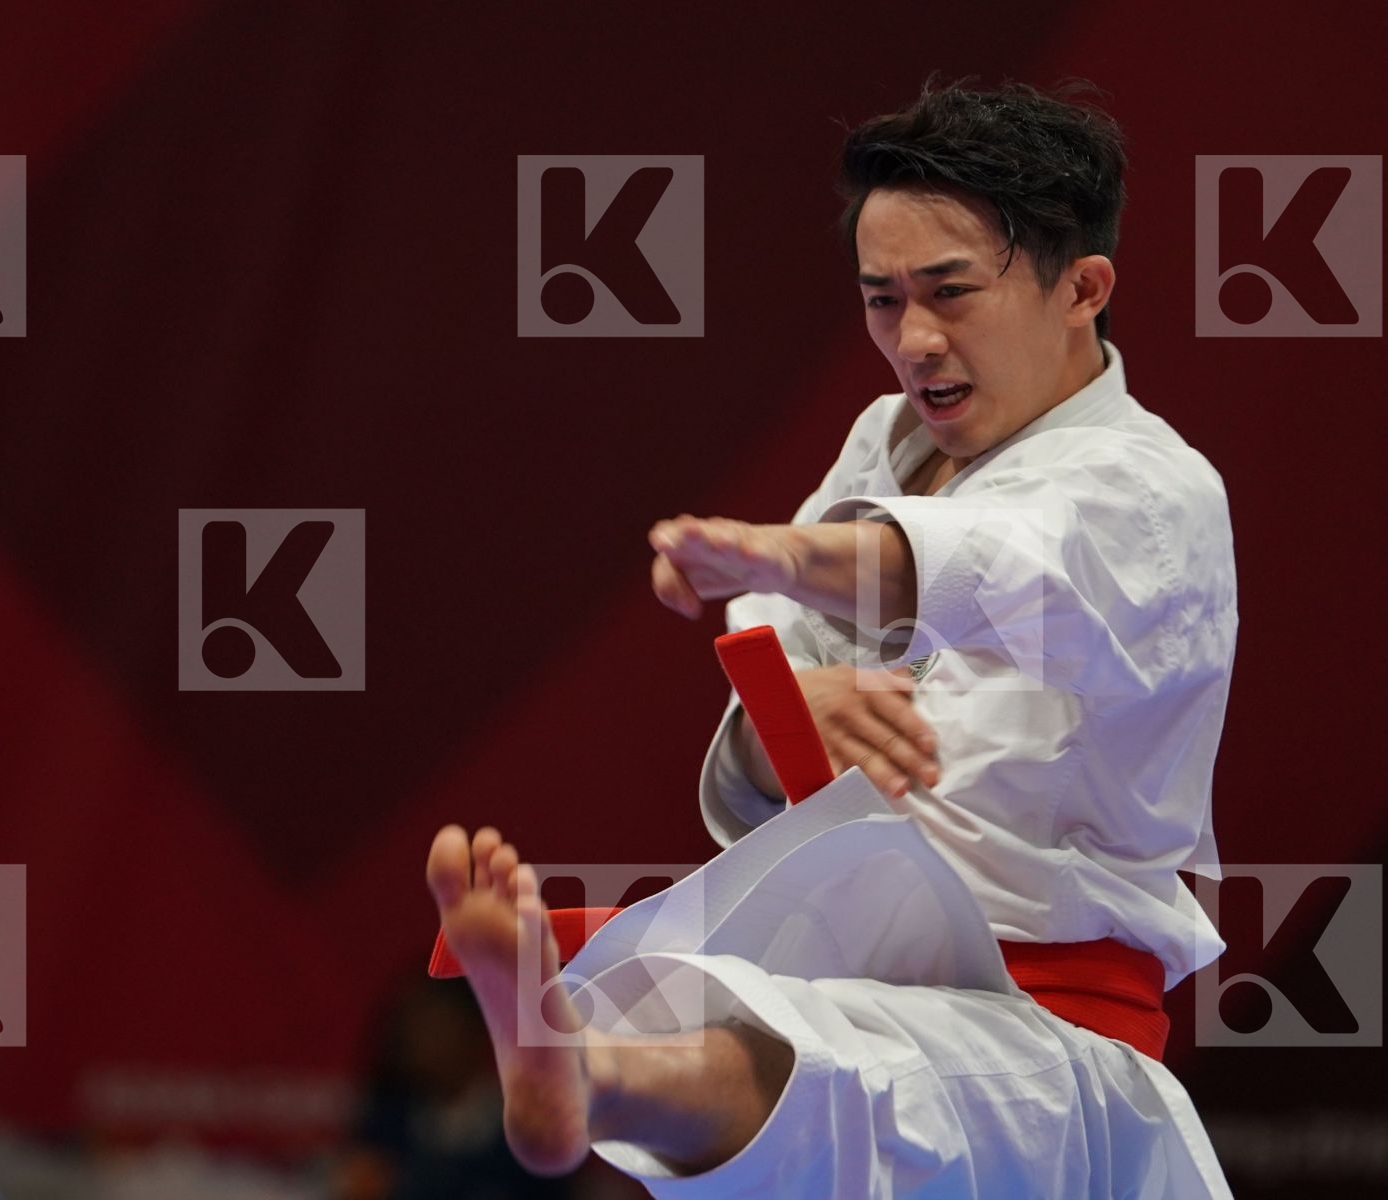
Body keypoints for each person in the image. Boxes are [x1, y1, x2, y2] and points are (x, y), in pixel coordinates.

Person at [427, 78, 1235, 1197]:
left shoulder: (1150, 491)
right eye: (881, 298)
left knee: (828, 1069)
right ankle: (583, 1070)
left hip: (1043, 1037)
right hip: (839, 974)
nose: (913, 339)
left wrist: (778, 555)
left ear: (1081, 288)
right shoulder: (887, 442)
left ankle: (592, 1071)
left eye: (949, 293)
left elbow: (983, 563)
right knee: (781, 1042)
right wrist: (783, 721)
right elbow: (768, 699)